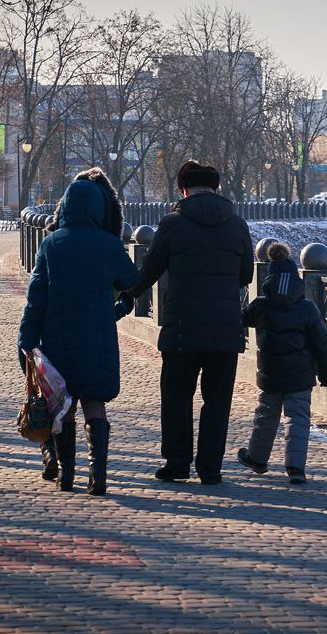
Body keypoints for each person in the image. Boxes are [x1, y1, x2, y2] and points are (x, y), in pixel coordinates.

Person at [126, 161, 253, 485]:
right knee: (217, 400)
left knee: (177, 394)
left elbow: (150, 270)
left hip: (182, 325)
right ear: (217, 188)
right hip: (224, 328)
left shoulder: (172, 224)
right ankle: (210, 468)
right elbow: (246, 276)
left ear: (183, 188)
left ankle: (177, 464)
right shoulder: (237, 225)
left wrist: (124, 295)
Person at [18, 169, 138, 495]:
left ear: (65, 205)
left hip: (59, 341)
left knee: (66, 407)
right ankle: (98, 476)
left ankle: (66, 475)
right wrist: (120, 307)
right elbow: (132, 281)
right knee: (95, 405)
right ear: (100, 208)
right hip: (97, 340)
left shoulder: (51, 244)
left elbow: (35, 299)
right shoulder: (108, 245)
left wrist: (26, 342)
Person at [237, 242, 327, 485]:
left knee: (266, 415)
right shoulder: (307, 308)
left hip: (270, 373)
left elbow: (241, 319)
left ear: (269, 278)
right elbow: (322, 343)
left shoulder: (261, 305)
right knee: (298, 419)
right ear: (296, 279)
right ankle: (296, 469)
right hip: (300, 374)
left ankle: (257, 459)